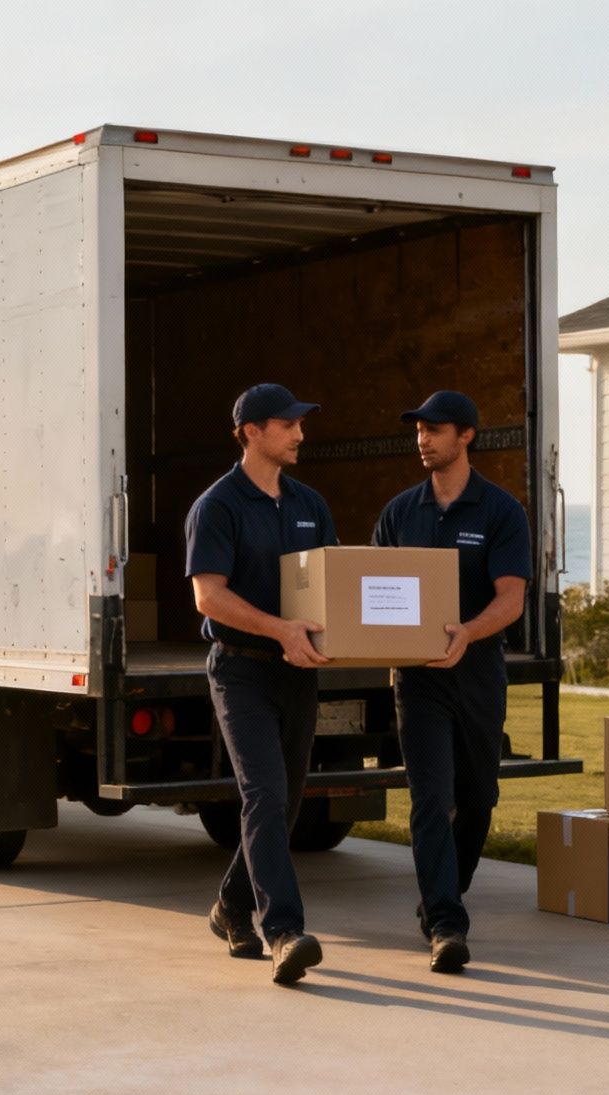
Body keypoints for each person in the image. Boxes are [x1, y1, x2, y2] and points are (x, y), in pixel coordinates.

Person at [184, 382, 338, 985]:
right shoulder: (217, 506)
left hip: (298, 671)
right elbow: (210, 596)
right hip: (242, 668)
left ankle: (229, 906)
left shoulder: (310, 503)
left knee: (286, 802)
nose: (300, 433)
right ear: (252, 431)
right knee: (266, 795)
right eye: (288, 423)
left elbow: (330, 582)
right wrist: (280, 631)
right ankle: (284, 931)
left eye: (302, 422)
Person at [372, 389, 531, 974]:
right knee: (430, 798)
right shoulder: (399, 513)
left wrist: (466, 632)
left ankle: (444, 895)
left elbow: (510, 600)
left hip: (477, 672)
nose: (422, 438)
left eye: (434, 430)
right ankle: (446, 923)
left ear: (466, 435)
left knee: (478, 799)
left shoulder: (500, 511)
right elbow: (377, 593)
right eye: (418, 429)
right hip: (418, 679)